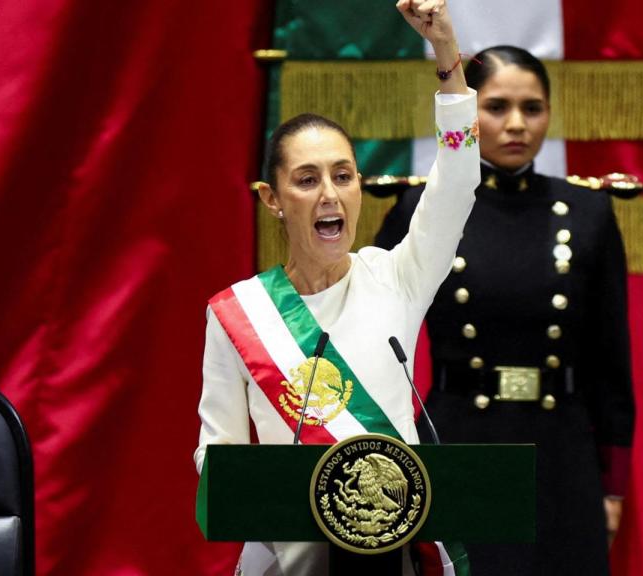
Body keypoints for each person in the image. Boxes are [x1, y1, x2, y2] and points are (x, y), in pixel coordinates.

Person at [194, 2, 479, 574]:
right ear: (272, 200)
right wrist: (270, 500)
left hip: (397, 558)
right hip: (288, 559)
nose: (329, 193)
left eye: (343, 175)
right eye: (306, 180)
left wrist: (447, 54)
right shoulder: (236, 313)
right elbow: (216, 453)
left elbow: (458, 180)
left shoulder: (398, 276)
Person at [374, 45, 636, 575]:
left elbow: (611, 363)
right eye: (496, 107)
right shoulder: (422, 211)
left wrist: (613, 487)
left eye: (532, 107)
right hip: (459, 444)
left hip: (561, 450)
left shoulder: (588, 213)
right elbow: (377, 343)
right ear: (467, 112)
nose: (517, 124)